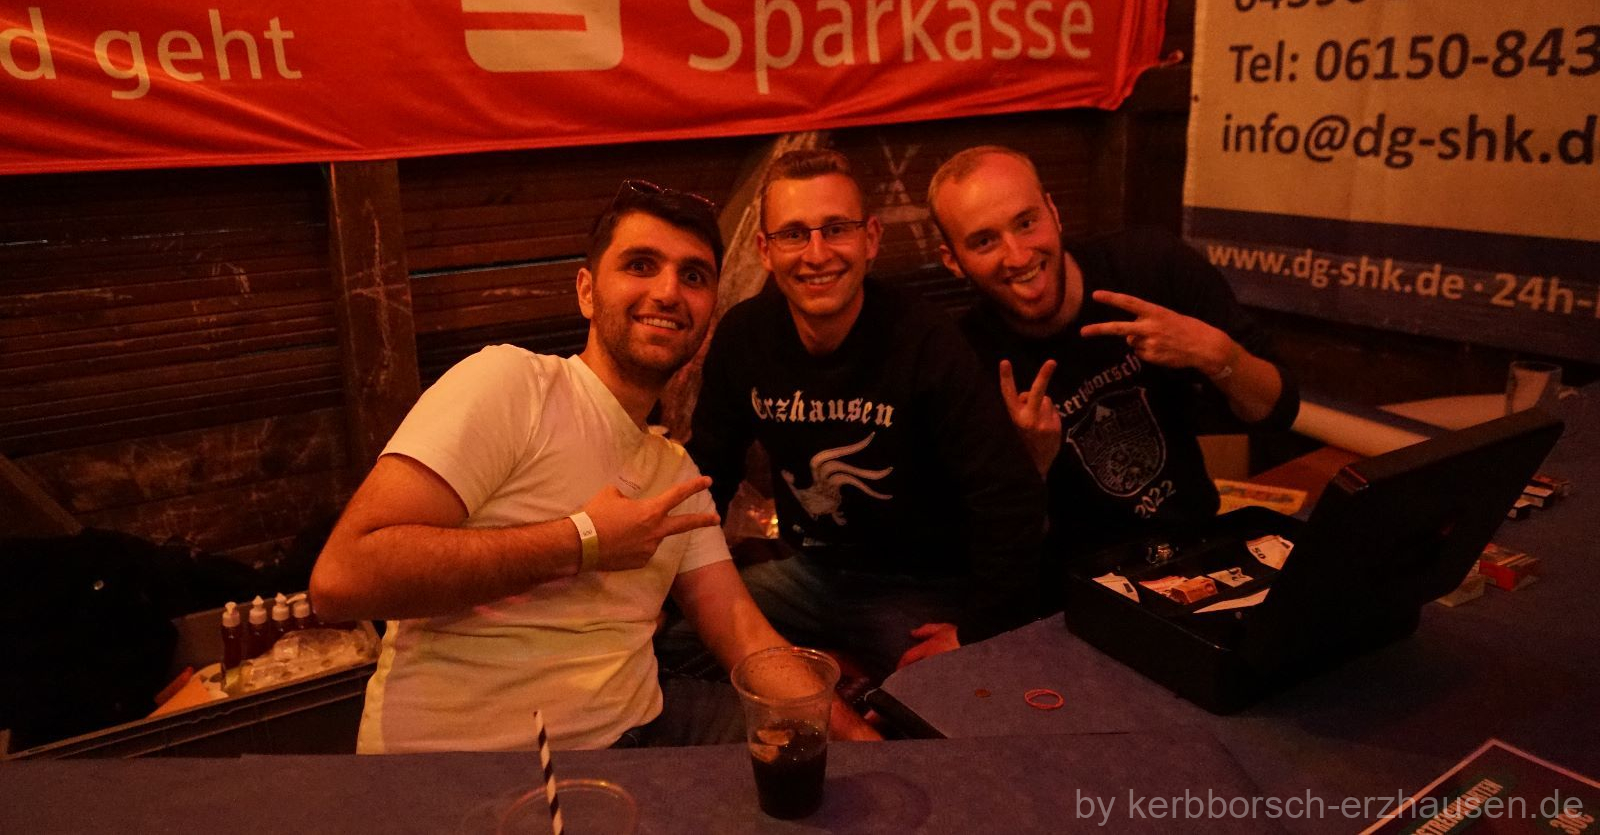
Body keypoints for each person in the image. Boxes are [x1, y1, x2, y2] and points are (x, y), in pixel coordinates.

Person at [309, 180, 875, 752]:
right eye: (640, 265)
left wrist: (862, 741)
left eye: (693, 276)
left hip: (641, 731)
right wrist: (582, 542)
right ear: (586, 291)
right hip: (474, 765)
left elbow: (746, 636)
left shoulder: (676, 473)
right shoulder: (513, 385)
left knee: (819, 758)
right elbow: (342, 580)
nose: (668, 292)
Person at [687, 149, 1047, 681]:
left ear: (871, 239)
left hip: (919, 585)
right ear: (765, 250)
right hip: (810, 575)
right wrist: (669, 589)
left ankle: (838, 669)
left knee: (945, 696)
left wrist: (975, 630)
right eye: (794, 234)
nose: (816, 254)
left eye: (836, 229)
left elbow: (1008, 498)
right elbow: (707, 474)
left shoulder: (926, 340)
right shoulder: (744, 336)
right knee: (672, 639)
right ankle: (832, 664)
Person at [927, 145, 1300, 558]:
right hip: (1073, 578)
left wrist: (1219, 355)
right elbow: (998, 552)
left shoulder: (1149, 265)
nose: (1017, 256)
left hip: (1198, 544)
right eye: (984, 241)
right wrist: (1029, 466)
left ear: (1054, 212)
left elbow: (1279, 409)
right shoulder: (963, 362)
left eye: (1027, 223)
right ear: (953, 260)